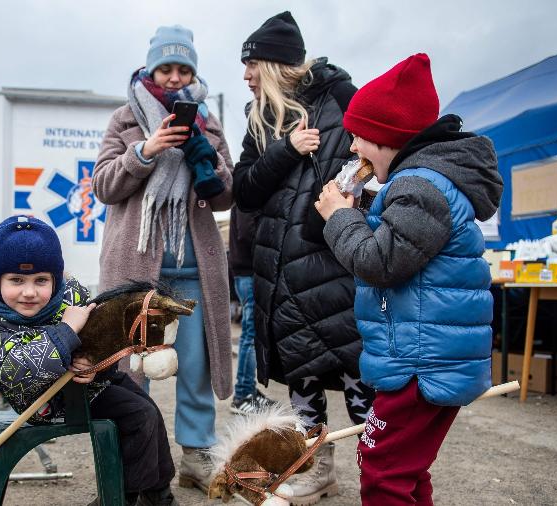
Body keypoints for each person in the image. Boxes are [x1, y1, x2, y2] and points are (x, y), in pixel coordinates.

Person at [315, 53, 503, 505]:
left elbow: (380, 262)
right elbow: (398, 248)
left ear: (388, 137)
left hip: (424, 362)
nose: (353, 148)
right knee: (404, 466)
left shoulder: (421, 188)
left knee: (382, 466)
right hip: (425, 355)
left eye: (359, 136)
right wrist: (358, 211)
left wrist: (341, 218)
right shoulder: (419, 185)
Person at [232, 11, 374, 503]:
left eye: (251, 65)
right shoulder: (261, 119)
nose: (245, 75)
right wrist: (286, 149)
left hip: (334, 261)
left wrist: (326, 221)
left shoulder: (342, 97)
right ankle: (314, 470)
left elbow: (370, 161)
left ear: (275, 64)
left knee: (360, 373)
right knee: (301, 372)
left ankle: (385, 475)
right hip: (278, 266)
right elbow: (244, 191)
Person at [93, 24, 234, 493]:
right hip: (136, 274)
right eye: (166, 68)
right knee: (132, 375)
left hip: (194, 271)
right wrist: (146, 150)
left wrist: (205, 158)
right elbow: (104, 185)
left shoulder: (209, 124)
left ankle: (197, 458)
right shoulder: (124, 119)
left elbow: (226, 195)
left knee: (195, 371)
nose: (174, 77)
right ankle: (135, 469)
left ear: (193, 71)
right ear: (151, 69)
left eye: (183, 68)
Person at [0, 216, 177, 506]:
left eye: (41, 280)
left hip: (83, 385)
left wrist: (95, 365)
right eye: (16, 280)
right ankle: (122, 497)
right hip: (44, 400)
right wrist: (66, 331)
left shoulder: (69, 296)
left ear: (55, 278)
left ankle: (158, 493)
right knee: (138, 415)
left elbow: (98, 340)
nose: (30, 292)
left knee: (149, 408)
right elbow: (14, 370)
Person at [227, 205, 276, 414]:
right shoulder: (247, 194)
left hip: (248, 270)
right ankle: (242, 396)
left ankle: (249, 390)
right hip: (248, 270)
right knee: (250, 332)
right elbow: (247, 232)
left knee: (253, 332)